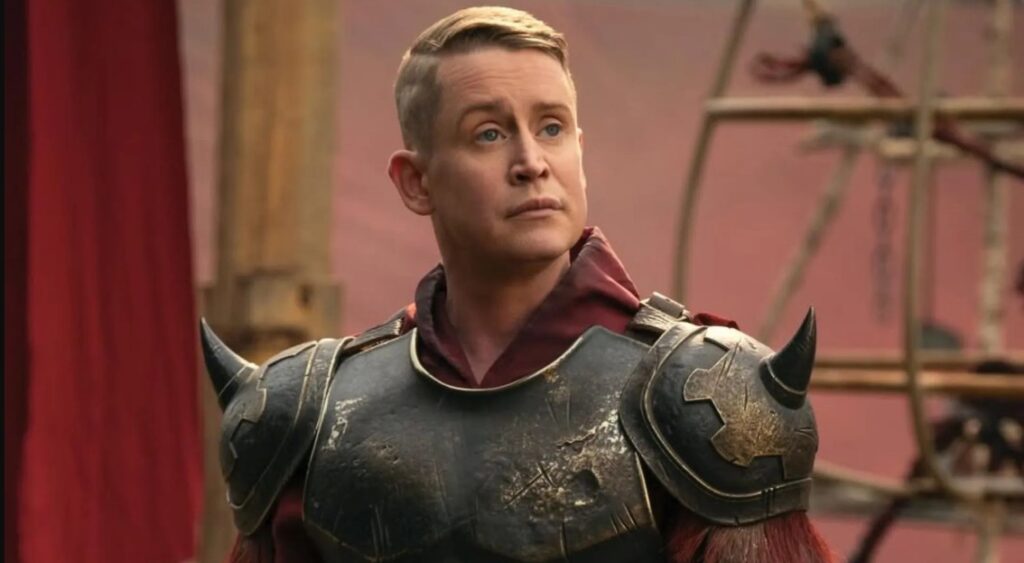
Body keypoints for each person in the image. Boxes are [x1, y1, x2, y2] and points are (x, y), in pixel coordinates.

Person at [201, 7, 835, 562]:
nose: (532, 162)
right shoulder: (312, 415)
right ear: (416, 183)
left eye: (551, 128)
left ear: (579, 151)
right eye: (489, 134)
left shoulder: (705, 400)